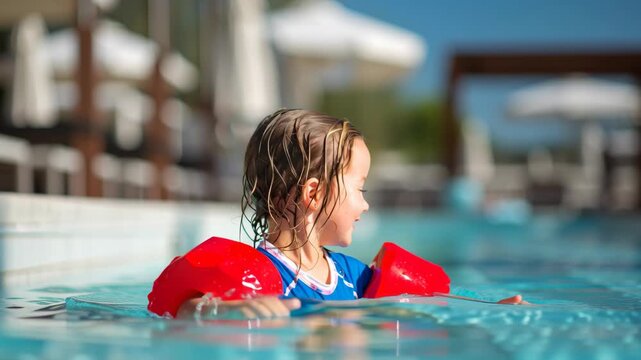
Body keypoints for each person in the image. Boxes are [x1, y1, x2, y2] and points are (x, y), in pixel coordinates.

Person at [177, 109, 528, 320]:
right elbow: (182, 308)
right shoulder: (255, 277)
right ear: (313, 194)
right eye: (360, 188)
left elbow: (431, 302)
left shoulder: (352, 276)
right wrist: (223, 311)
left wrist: (491, 309)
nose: (365, 204)